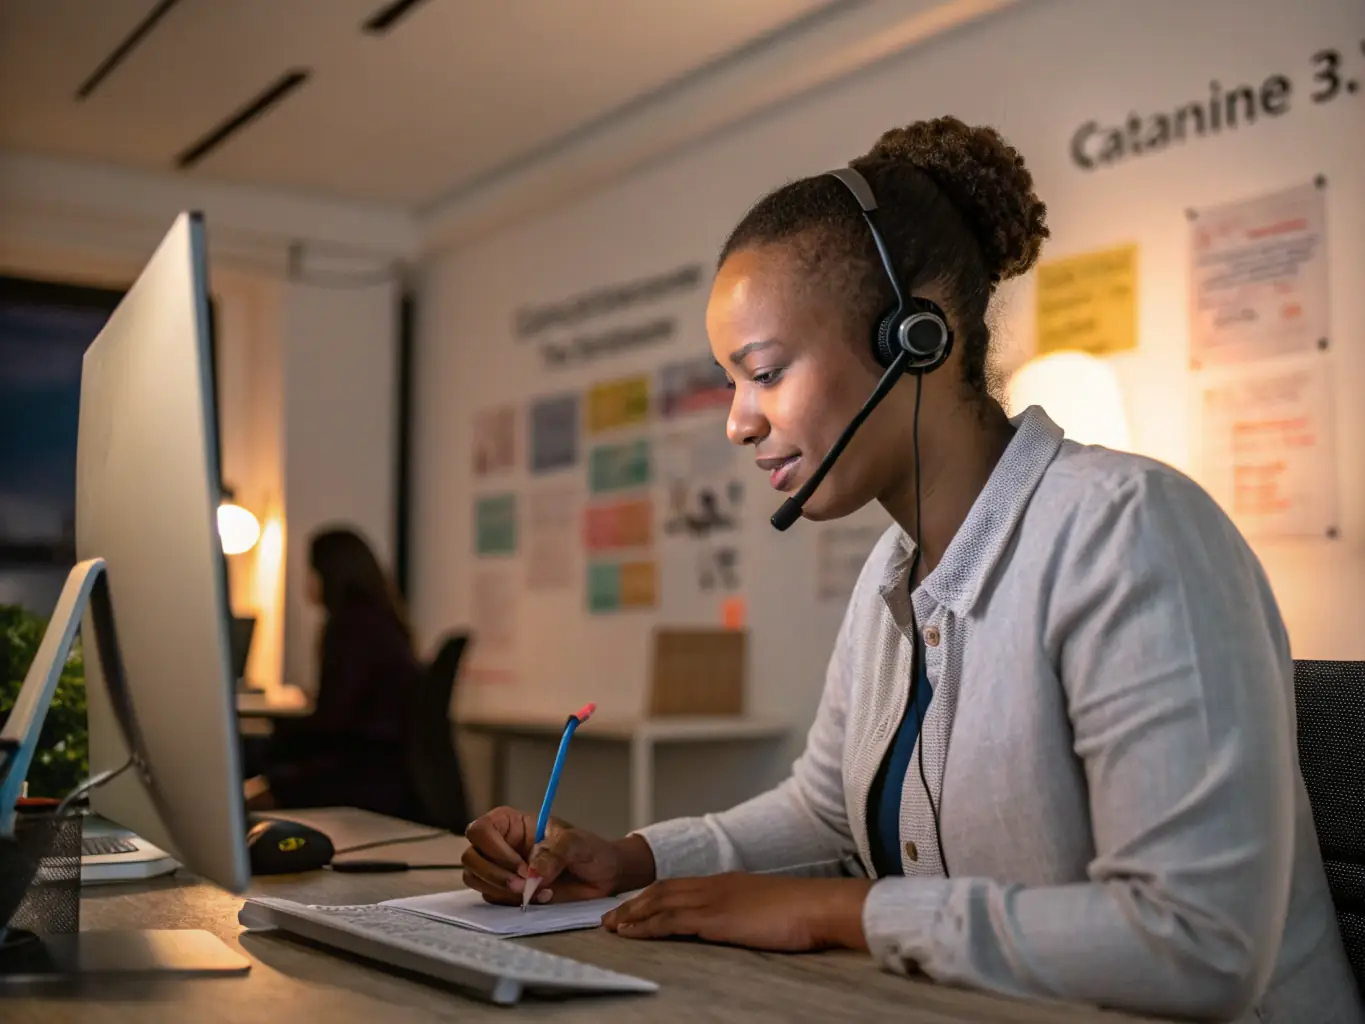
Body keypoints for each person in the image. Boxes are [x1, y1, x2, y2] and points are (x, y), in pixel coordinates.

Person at [461, 117, 1362, 1022]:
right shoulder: (894, 572)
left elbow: (1197, 944)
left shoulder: (1128, 530)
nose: (735, 422)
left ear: (914, 336)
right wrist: (634, 860)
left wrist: (842, 911)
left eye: (764, 372)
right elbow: (824, 816)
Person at [245, 526, 422, 820]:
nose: (307, 584)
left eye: (311, 573)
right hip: (386, 770)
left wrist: (279, 730)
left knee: (248, 760)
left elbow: (333, 722)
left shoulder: (350, 628)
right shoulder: (379, 621)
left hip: (359, 772)